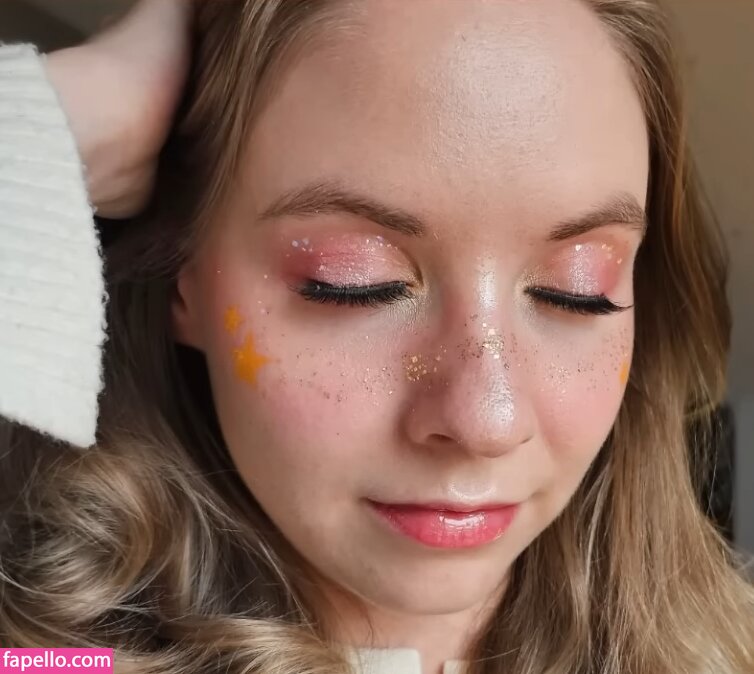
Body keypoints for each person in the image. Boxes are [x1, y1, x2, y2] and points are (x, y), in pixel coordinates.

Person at [0, 1, 753, 673]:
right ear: (184, 281)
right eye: (357, 282)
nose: (486, 420)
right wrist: (52, 123)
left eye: (576, 289)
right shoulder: (57, 658)